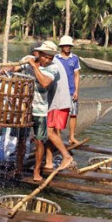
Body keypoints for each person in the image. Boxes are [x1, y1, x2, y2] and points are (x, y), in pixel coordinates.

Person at [3, 43, 58, 181]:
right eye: (45, 57)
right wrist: (8, 68)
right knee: (21, 140)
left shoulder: (53, 68)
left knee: (40, 141)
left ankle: (37, 171)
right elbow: (15, 68)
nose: (48, 60)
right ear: (38, 54)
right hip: (24, 108)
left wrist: (34, 66)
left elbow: (45, 83)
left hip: (40, 110)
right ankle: (18, 168)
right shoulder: (28, 60)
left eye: (50, 57)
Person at [37, 41, 74, 170]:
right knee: (50, 132)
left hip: (57, 102)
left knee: (48, 132)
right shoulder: (51, 62)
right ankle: (49, 161)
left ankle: (66, 156)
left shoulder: (51, 65)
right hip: (59, 102)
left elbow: (44, 82)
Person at [55, 35, 81, 145]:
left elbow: (76, 75)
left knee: (73, 114)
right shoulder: (55, 58)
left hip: (71, 91)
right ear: (61, 46)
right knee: (59, 114)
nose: (67, 47)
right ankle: (58, 138)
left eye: (69, 45)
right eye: (65, 45)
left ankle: (71, 137)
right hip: (59, 92)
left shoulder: (74, 58)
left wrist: (76, 91)